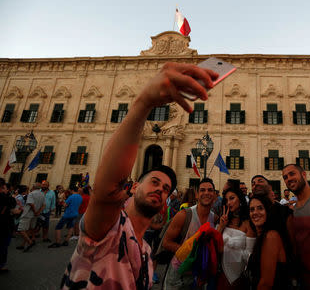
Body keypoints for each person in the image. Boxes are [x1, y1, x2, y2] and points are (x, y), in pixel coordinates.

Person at [61, 61, 214, 289]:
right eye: (154, 181)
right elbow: (107, 189)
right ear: (133, 187)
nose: (160, 190)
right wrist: (143, 105)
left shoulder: (146, 252)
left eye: (166, 189)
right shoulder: (106, 228)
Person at [162, 177, 218, 289]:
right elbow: (166, 242)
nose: (206, 193)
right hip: (177, 276)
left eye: (210, 190)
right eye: (202, 190)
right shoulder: (184, 215)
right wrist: (192, 253)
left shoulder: (215, 219)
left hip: (199, 278)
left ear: (215, 195)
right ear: (197, 195)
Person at [217, 182, 255, 289]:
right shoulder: (224, 221)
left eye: (232, 198)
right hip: (221, 274)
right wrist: (221, 227)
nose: (229, 203)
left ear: (240, 199)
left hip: (240, 276)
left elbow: (250, 256)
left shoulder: (248, 223)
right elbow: (214, 246)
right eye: (226, 200)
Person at [247, 194, 290, 289]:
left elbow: (266, 283)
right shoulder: (261, 235)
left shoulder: (271, 236)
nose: (255, 213)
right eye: (252, 209)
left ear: (268, 211)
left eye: (260, 208)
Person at [16, 182, 45, 252]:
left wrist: (35, 211)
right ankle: (23, 244)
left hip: (28, 214)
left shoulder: (31, 194)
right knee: (29, 229)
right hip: (35, 215)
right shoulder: (42, 194)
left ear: (34, 187)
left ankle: (30, 242)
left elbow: (31, 204)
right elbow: (44, 205)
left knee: (21, 229)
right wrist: (38, 212)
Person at [0, 177, 18, 272]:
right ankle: (1, 265)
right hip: (4, 226)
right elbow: (14, 207)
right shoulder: (7, 199)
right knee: (3, 246)